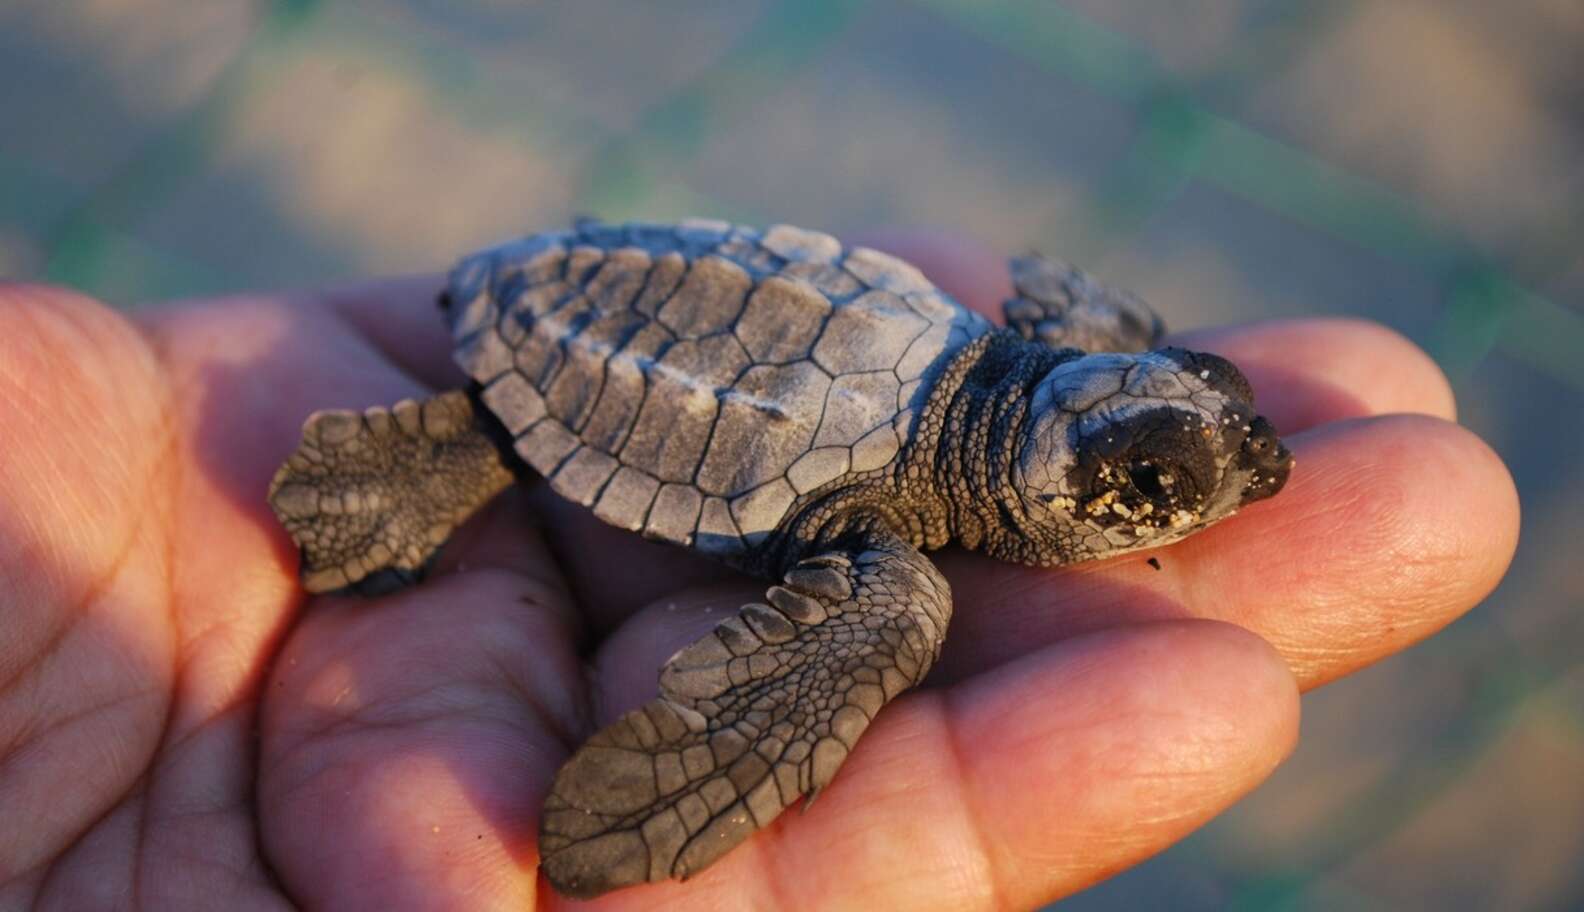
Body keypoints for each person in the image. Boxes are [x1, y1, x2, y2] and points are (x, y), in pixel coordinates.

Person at [0, 236, 1518, 910]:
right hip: (571, 354)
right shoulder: (897, 550)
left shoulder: (1018, 360)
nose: (1224, 480)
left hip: (683, 273)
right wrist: (719, 748)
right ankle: (456, 449)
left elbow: (1071, 322)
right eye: (1162, 482)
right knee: (887, 617)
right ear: (1069, 497)